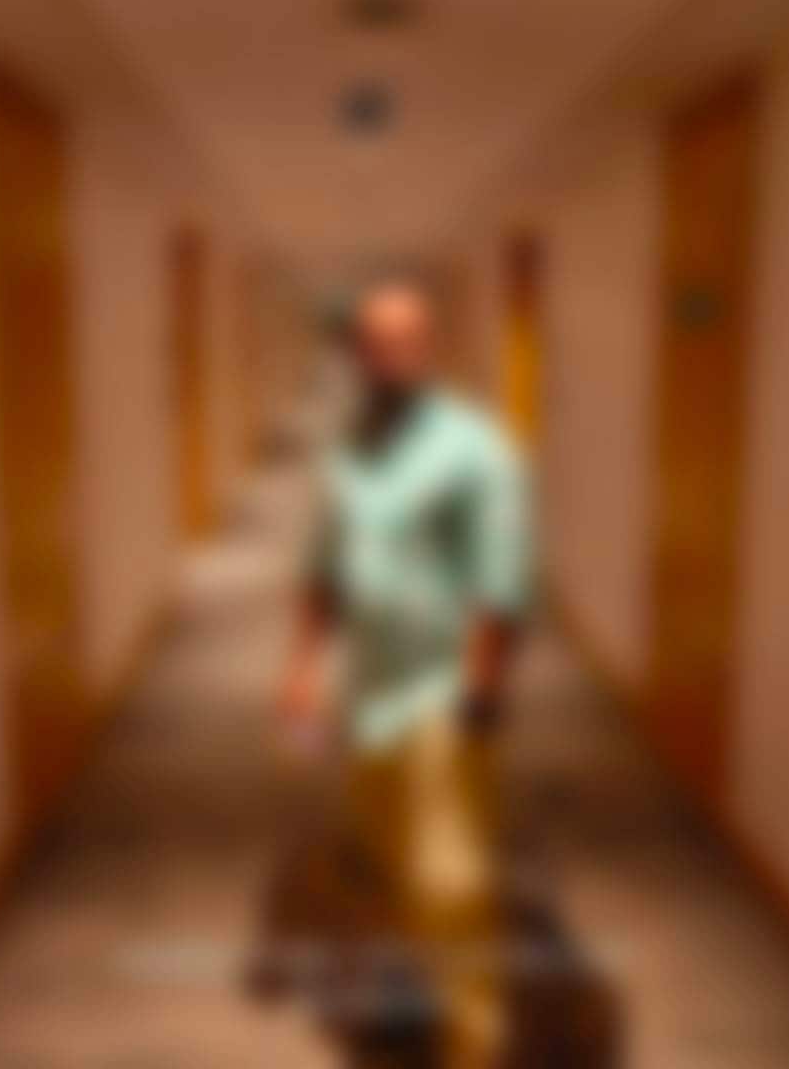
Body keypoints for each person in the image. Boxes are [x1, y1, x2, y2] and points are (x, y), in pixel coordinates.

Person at [276, 271, 535, 1068]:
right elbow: (324, 567)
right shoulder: (348, 450)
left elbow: (500, 581)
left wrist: (481, 692)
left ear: (431, 346)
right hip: (370, 691)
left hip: (442, 690)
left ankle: (475, 1042)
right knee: (385, 862)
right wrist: (303, 667)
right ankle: (422, 995)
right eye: (374, 342)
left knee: (450, 879)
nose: (390, 355)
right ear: (355, 352)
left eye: (406, 340)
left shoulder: (476, 448)